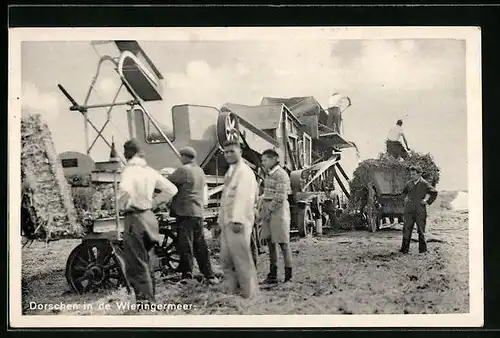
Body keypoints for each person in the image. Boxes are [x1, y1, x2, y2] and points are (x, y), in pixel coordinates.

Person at [117, 139, 178, 305]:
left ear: (128, 153)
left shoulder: (129, 171)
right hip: (149, 217)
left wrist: (121, 204)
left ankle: (145, 303)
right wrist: (154, 202)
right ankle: (152, 297)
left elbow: (124, 189)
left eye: (124, 151)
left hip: (135, 218)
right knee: (148, 260)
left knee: (136, 262)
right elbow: (172, 189)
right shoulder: (149, 170)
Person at [168, 146, 218, 284]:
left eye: (181, 156)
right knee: (200, 244)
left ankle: (187, 276)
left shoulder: (183, 170)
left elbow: (167, 182)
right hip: (197, 212)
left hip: (185, 212)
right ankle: (209, 275)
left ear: (184, 157)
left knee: (185, 245)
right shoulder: (199, 171)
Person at [218, 139, 259, 298]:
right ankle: (232, 292)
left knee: (241, 260)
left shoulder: (244, 172)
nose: (228, 155)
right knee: (226, 260)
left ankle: (249, 295)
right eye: (226, 152)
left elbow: (245, 197)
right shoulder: (231, 171)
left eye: (232, 151)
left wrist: (238, 219)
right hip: (227, 223)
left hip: (238, 223)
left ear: (240, 152)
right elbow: (225, 198)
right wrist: (220, 222)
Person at [257, 149, 293, 284]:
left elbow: (280, 197)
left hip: (279, 212)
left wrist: (268, 210)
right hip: (268, 211)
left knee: (283, 243)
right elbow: (267, 193)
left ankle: (288, 277)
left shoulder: (281, 175)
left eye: (265, 160)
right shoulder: (268, 174)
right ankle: (273, 275)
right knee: (270, 243)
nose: (263, 163)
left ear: (273, 159)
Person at [399, 165, 438, 254]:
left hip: (420, 211)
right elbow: (403, 193)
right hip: (409, 210)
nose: (411, 176)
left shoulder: (424, 184)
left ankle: (423, 251)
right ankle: (404, 249)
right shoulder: (409, 183)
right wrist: (405, 200)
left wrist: (427, 201)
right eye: (411, 174)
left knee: (421, 231)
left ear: (419, 174)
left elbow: (434, 193)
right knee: (406, 230)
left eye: (413, 174)